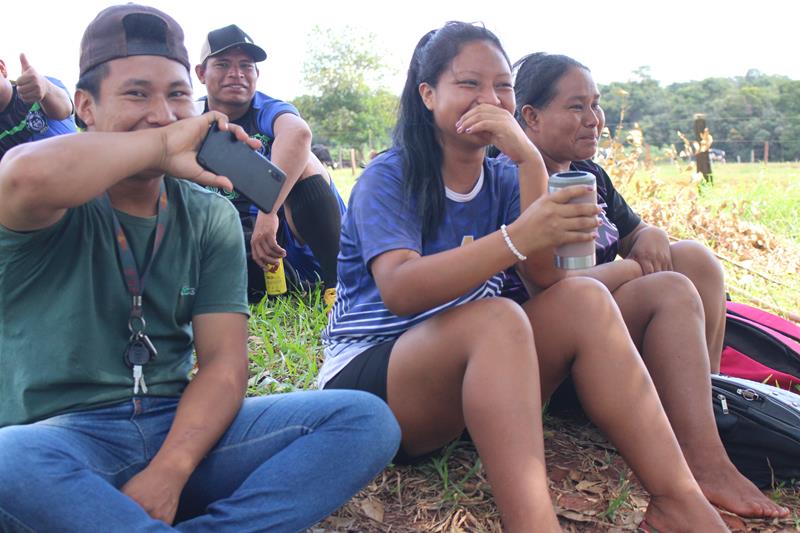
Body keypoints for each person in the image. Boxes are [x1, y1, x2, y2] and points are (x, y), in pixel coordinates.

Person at [318, 21, 735, 533]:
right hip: (378, 382)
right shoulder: (392, 174)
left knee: (580, 300)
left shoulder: (505, 174)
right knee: (497, 317)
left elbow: (550, 284)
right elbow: (400, 290)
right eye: (469, 84)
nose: (489, 99)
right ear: (428, 94)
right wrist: (516, 237)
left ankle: (679, 500)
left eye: (503, 87)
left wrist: (528, 158)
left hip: (472, 381)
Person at [0, 5, 399, 532]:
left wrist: (171, 470)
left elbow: (223, 365)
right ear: (85, 108)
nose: (163, 114)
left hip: (176, 428)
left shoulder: (206, 212)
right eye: (137, 94)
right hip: (57, 440)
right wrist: (165, 145)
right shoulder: (51, 194)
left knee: (362, 420)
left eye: (177, 96)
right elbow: (22, 176)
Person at [510, 52, 788, 520]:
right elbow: (551, 287)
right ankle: (704, 465)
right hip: (558, 356)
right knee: (670, 290)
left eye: (595, 105)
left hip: (605, 319)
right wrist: (632, 271)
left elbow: (634, 235)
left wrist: (650, 235)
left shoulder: (590, 174)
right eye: (577, 107)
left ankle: (704, 414)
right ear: (531, 117)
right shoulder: (516, 178)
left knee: (695, 259)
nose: (594, 119)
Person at [195, 24, 345, 306]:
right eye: (223, 64)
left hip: (288, 241)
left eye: (246, 65)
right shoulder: (191, 119)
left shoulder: (266, 109)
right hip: (231, 253)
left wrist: (269, 209)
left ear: (256, 74)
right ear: (201, 73)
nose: (236, 74)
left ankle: (337, 284)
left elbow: (298, 134)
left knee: (307, 160)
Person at [0, 53, 76, 159]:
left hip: (78, 168)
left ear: (2, 68)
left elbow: (65, 109)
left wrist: (46, 89)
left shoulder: (37, 85)